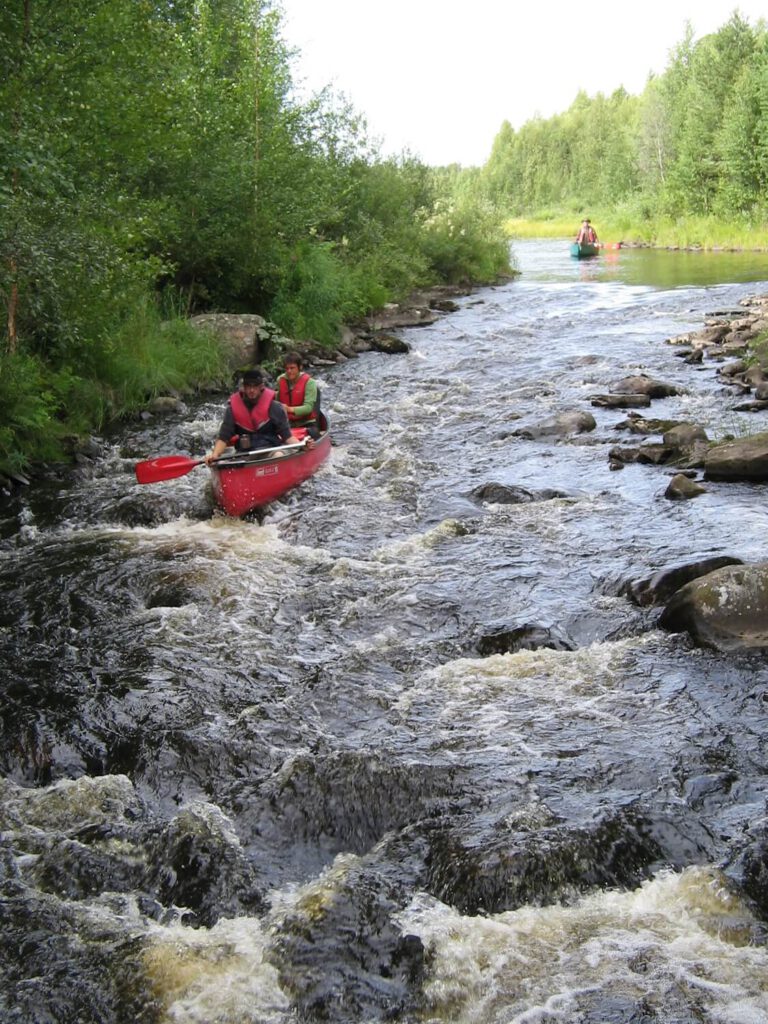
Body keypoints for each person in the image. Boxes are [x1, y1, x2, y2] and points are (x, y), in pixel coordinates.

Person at [205, 368, 311, 463]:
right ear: (243, 388)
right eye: (248, 387)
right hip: (245, 454)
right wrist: (214, 455)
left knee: (278, 455)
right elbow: (223, 438)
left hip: (270, 451)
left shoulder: (274, 407)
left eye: (255, 386)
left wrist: (302, 446)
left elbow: (287, 437)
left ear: (261, 387)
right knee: (225, 464)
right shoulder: (232, 410)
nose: (251, 390)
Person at [276, 352, 320, 438]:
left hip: (306, 423)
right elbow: (277, 402)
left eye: (292, 368)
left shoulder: (310, 382)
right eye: (287, 368)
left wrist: (288, 409)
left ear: (300, 367)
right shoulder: (280, 380)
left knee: (312, 434)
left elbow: (308, 408)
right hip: (287, 423)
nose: (289, 371)